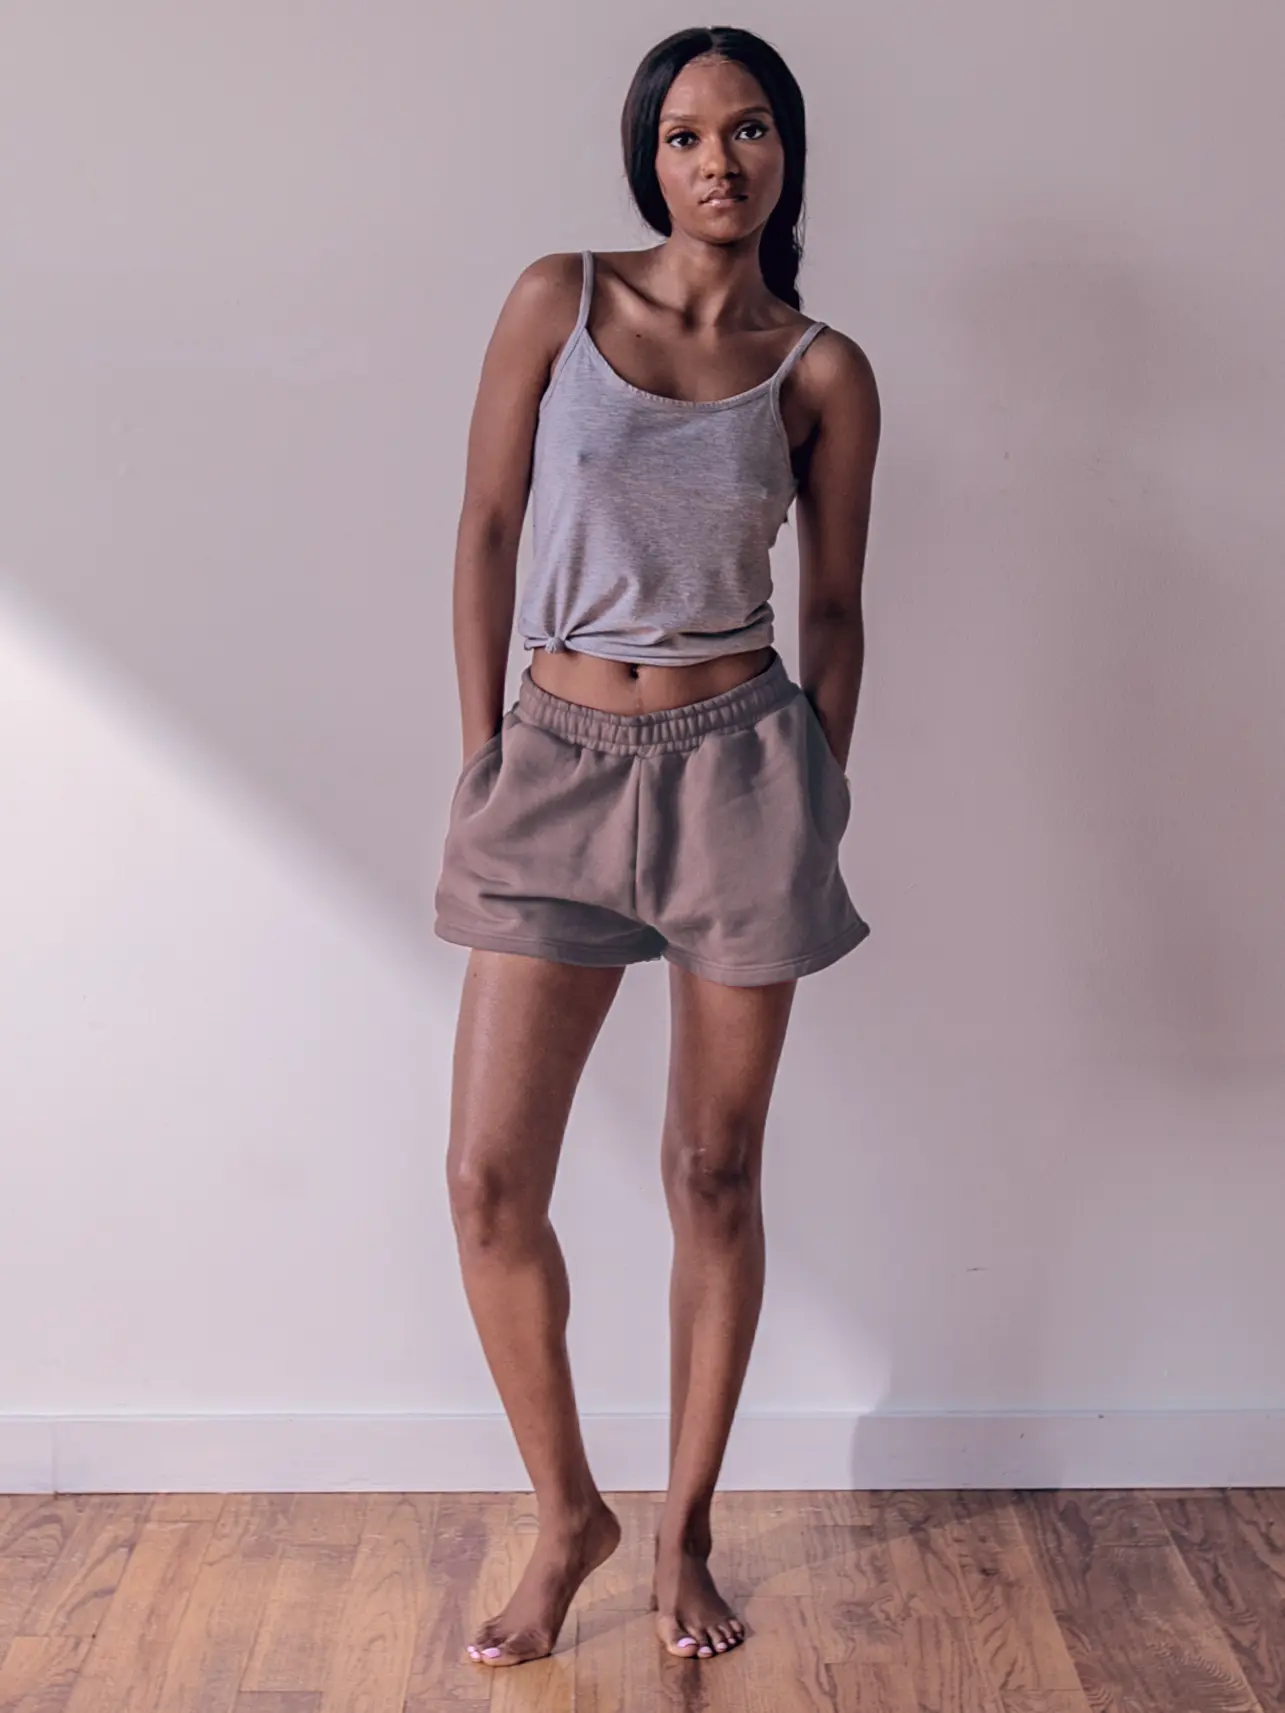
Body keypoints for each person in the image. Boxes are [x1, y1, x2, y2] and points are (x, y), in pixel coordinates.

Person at [433, 24, 881, 1670]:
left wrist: (812, 790)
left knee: (712, 1171)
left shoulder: (825, 368)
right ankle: (571, 1515)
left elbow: (832, 608)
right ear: (651, 157)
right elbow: (486, 524)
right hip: (555, 757)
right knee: (489, 1181)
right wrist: (486, 747)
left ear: (784, 158)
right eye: (688, 134)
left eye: (750, 130)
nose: (718, 161)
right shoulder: (559, 298)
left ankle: (681, 1532)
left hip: (741, 765)